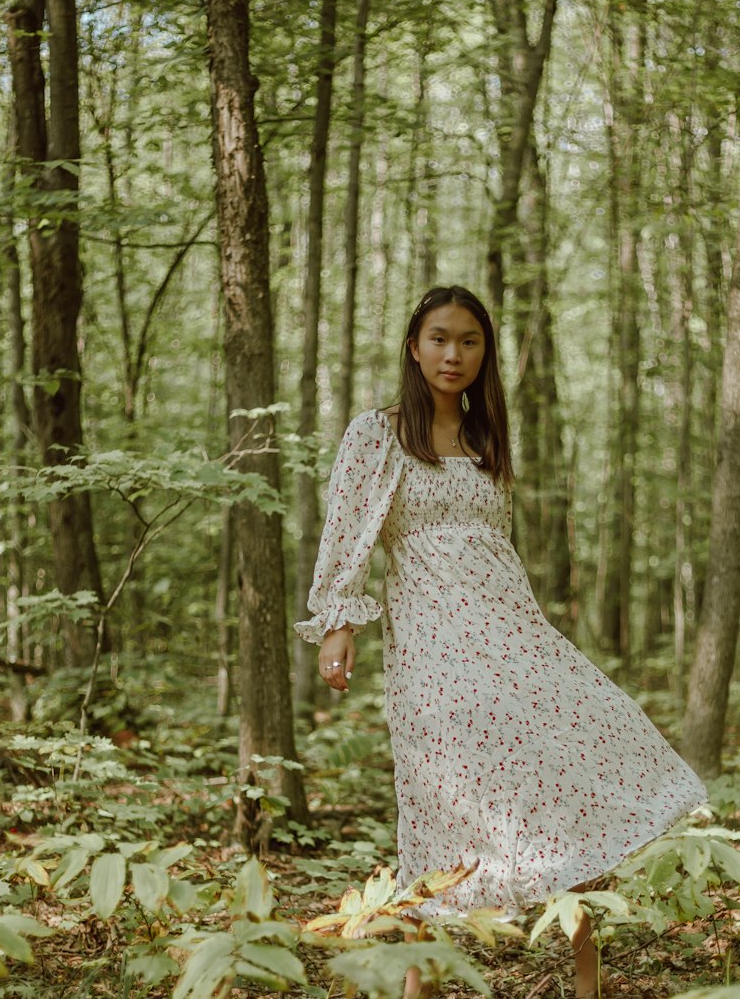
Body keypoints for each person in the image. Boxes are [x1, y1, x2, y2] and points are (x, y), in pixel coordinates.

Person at [296, 285, 707, 998]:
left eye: (469, 341)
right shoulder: (378, 433)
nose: (452, 354)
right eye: (439, 338)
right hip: (430, 644)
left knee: (569, 762)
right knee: (433, 797)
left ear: (485, 353)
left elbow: (496, 550)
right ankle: (419, 984)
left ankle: (587, 980)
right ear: (413, 346)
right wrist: (339, 628)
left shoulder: (488, 438)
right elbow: (348, 538)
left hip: (513, 633)